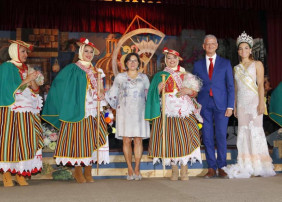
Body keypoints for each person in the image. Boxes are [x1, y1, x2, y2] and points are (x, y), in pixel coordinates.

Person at [42, 38, 109, 183]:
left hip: (93, 111)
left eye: (91, 52)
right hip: (77, 109)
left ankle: (89, 170)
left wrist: (101, 92)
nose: (89, 54)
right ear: (80, 52)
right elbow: (59, 85)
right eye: (86, 51)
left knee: (92, 139)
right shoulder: (72, 68)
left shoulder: (96, 71)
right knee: (78, 141)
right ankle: (78, 171)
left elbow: (100, 89)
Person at [223, 32, 276, 178]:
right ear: (238, 51)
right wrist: (233, 105)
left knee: (256, 131)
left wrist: (261, 103)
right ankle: (246, 163)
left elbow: (260, 86)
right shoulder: (236, 68)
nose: (243, 51)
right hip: (241, 102)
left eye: (246, 48)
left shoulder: (257, 64)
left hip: (253, 102)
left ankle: (259, 164)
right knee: (243, 132)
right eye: (241, 49)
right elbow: (235, 88)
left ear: (251, 50)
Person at [145, 48, 202, 181]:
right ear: (165, 60)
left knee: (185, 138)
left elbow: (195, 93)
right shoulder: (159, 76)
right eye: (169, 58)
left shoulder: (185, 75)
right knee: (170, 139)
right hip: (167, 111)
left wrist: (189, 91)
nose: (172, 61)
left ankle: (184, 168)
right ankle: (174, 169)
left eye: (174, 58)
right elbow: (152, 94)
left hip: (183, 111)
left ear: (178, 60)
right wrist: (158, 89)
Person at [0, 40, 44, 187]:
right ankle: (6, 174)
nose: (26, 54)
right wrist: (27, 79)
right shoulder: (6, 67)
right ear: (14, 51)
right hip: (11, 110)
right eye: (23, 51)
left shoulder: (27, 68)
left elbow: (36, 90)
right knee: (10, 142)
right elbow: (7, 88)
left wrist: (32, 82)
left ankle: (21, 173)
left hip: (27, 110)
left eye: (26, 52)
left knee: (25, 142)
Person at [193, 35, 235, 178]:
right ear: (203, 46)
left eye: (213, 43)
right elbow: (195, 86)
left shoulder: (225, 63)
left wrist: (230, 106)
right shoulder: (197, 65)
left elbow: (230, 86)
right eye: (207, 44)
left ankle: (222, 166)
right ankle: (211, 167)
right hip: (204, 104)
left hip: (222, 104)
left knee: (221, 135)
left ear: (217, 45)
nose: (210, 46)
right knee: (207, 136)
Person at [105, 53, 150, 180]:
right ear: (126, 63)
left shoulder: (144, 78)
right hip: (124, 112)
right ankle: (130, 168)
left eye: (135, 61)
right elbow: (113, 94)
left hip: (140, 112)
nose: (132, 63)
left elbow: (149, 96)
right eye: (130, 61)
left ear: (138, 63)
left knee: (138, 140)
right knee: (126, 140)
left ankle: (137, 169)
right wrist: (103, 94)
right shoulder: (120, 77)